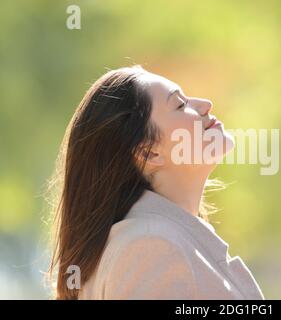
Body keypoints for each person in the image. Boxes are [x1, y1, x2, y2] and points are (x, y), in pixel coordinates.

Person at [47, 65, 265, 300]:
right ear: (149, 152)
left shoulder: (161, 239)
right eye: (180, 104)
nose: (205, 104)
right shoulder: (149, 247)